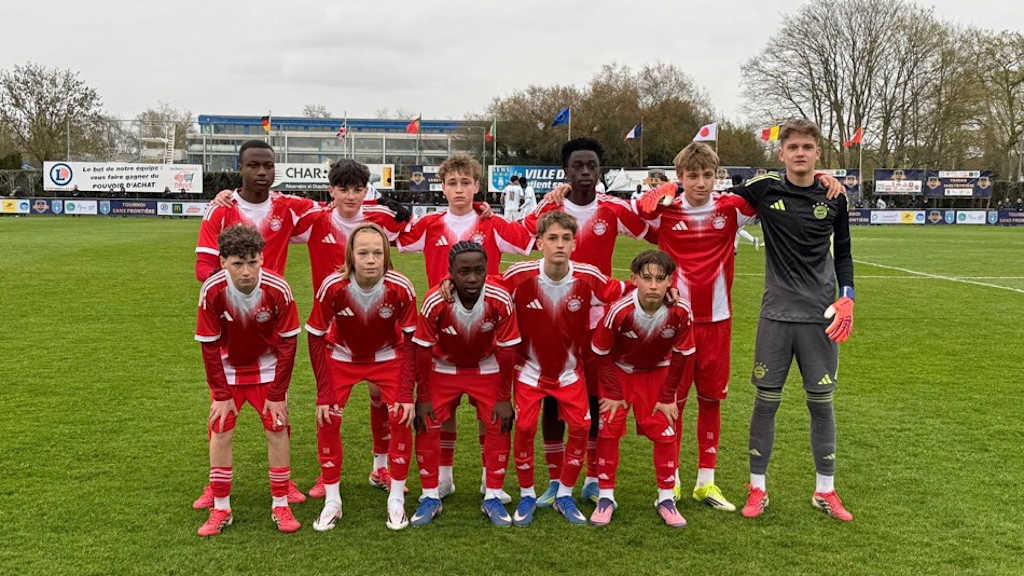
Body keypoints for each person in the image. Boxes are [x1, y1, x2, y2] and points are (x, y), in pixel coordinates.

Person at [637, 142, 846, 511]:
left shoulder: (731, 208)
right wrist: (649, 196)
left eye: (707, 175)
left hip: (718, 323)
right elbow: (629, 214)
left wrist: (820, 179)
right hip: (675, 326)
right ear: (680, 177)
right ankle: (670, 483)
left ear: (716, 177)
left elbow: (784, 189)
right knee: (673, 402)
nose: (700, 183)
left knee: (712, 400)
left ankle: (707, 481)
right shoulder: (665, 213)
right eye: (691, 176)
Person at [730, 118, 856, 522]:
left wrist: (848, 298)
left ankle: (825, 490)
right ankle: (757, 489)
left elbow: (845, 254)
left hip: (821, 316)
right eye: (793, 147)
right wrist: (667, 189)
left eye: (807, 147)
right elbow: (709, 200)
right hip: (776, 315)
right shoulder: (765, 188)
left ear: (817, 153)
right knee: (766, 403)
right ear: (781, 153)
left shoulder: (835, 197)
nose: (800, 152)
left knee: (822, 405)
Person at [398, 154, 532, 503]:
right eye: (452, 183)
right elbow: (392, 237)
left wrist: (552, 200)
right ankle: (444, 477)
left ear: (477, 185)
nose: (459, 190)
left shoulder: (492, 224)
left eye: (466, 183)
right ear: (442, 187)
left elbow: (530, 239)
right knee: (445, 411)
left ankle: (491, 480)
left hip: (486, 330)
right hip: (440, 329)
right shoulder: (428, 225)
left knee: (488, 411)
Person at [523, 137, 649, 506]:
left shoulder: (612, 209)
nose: (584, 173)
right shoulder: (550, 210)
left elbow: (656, 232)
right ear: (565, 171)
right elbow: (518, 239)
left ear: (600, 171)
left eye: (591, 166)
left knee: (594, 402)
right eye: (576, 166)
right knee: (551, 402)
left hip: (599, 322)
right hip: (554, 319)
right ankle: (553, 479)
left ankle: (593, 477)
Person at [192, 140, 312, 509]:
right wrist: (238, 290)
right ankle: (216, 487)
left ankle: (284, 482)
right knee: (221, 412)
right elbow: (202, 268)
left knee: (278, 410)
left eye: (269, 165)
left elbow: (339, 208)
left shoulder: (289, 207)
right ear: (239, 168)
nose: (262, 172)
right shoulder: (220, 209)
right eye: (254, 165)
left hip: (273, 322)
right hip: (231, 322)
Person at [294, 159, 412, 500]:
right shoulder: (315, 221)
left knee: (381, 398)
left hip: (378, 325)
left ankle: (380, 466)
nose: (350, 196)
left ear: (366, 191)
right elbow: (274, 216)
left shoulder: (380, 222)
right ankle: (325, 475)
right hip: (333, 331)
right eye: (343, 189)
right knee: (329, 406)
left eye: (357, 189)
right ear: (331, 190)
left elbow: (423, 227)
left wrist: (405, 215)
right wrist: (227, 195)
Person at [501, 211, 625, 526]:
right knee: (525, 428)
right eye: (552, 238)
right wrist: (449, 283)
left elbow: (620, 291)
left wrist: (660, 290)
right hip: (528, 370)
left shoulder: (588, 277)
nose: (559, 245)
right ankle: (527, 493)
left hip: (570, 372)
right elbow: (489, 288)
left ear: (574, 244)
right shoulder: (519, 275)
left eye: (566, 239)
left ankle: (565, 494)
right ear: (539, 242)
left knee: (582, 428)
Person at [306, 223, 418, 531]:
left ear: (386, 256)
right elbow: (315, 336)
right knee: (328, 417)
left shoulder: (401, 287)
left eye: (378, 253)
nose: (371, 259)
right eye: (363, 253)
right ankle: (333, 499)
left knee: (401, 416)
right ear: (351, 257)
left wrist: (407, 394)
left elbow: (411, 341)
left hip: (387, 357)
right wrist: (324, 393)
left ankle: (396, 497)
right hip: (342, 356)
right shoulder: (333, 286)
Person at [193, 225, 302, 536]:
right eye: (237, 263)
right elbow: (210, 346)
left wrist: (278, 393)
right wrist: (220, 394)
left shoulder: (278, 289)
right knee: (221, 428)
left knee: (277, 427)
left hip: (267, 370)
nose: (246, 271)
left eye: (253, 262)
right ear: (223, 261)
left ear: (262, 259)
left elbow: (288, 344)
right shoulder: (212, 290)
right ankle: (222, 507)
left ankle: (280, 503)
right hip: (228, 371)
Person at [409, 242, 520, 527]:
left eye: (479, 271)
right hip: (443, 367)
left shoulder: (500, 298)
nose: (472, 278)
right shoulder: (435, 300)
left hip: (486, 366)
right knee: (428, 422)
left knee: (498, 421)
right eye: (464, 272)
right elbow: (421, 350)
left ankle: (493, 494)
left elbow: (508, 351)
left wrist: (504, 396)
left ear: (487, 271)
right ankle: (431, 494)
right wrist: (422, 396)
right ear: (450, 273)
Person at [589, 250, 695, 527]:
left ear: (670, 281)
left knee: (665, 435)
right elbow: (600, 351)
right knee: (609, 431)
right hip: (620, 375)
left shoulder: (681, 311)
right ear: (634, 279)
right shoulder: (619, 311)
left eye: (660, 279)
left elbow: (683, 355)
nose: (653, 285)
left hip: (657, 375)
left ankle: (666, 499)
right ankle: (606, 497)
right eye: (646, 278)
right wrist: (612, 393)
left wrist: (668, 396)